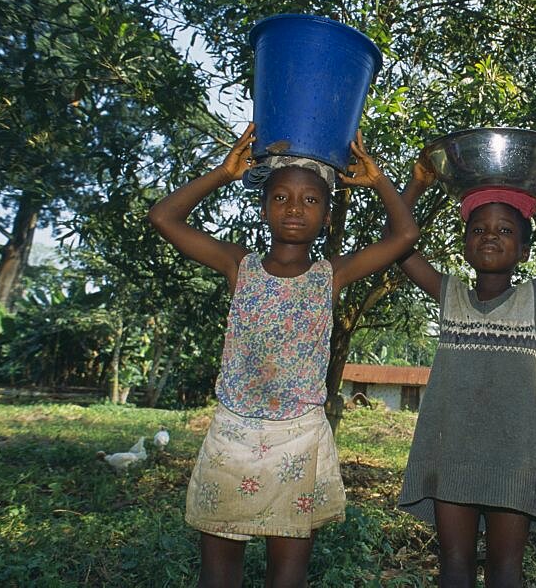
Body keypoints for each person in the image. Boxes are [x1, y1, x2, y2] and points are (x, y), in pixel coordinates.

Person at [148, 124, 419, 588]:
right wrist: (223, 172)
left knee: (288, 576)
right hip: (233, 434)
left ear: (328, 217)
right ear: (263, 207)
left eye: (311, 200)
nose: (295, 207)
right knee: (218, 575)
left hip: (298, 438)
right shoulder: (239, 265)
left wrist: (379, 182)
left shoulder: (330, 275)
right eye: (282, 198)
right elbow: (163, 218)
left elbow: (405, 235)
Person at [394, 148, 536, 587]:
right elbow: (396, 242)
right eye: (479, 229)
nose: (490, 236)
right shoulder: (448, 293)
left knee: (506, 570)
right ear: (465, 241)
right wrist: (417, 181)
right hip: (449, 454)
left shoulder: (535, 297)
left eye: (505, 230)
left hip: (514, 460)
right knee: (455, 566)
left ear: (525, 248)